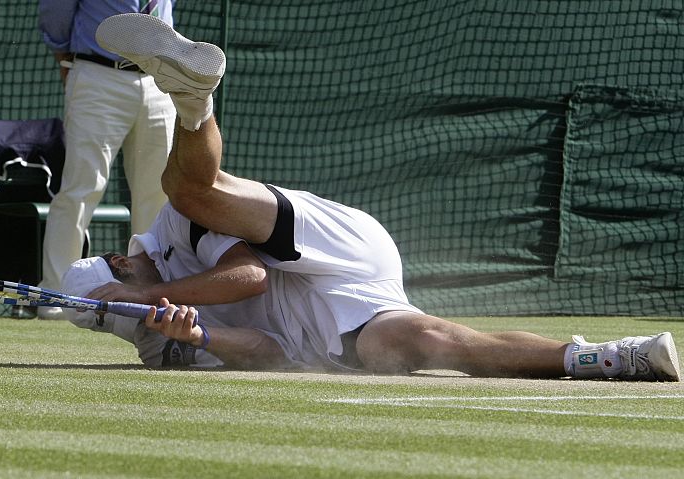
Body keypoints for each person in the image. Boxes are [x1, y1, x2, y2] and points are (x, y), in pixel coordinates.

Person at [61, 13, 681, 381]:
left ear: (119, 263)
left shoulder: (168, 236)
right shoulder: (156, 340)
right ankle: (607, 358)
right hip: (324, 320)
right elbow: (268, 352)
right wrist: (197, 339)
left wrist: (148, 294)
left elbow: (248, 275)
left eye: (118, 294)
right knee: (418, 344)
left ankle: (193, 99)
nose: (128, 316)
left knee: (187, 194)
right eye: (114, 320)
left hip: (330, 246)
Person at [35, 1, 178, 319]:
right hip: (98, 74)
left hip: (159, 81)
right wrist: (63, 55)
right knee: (81, 187)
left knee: (157, 195)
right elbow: (56, 11)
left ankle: (150, 293)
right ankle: (57, 296)